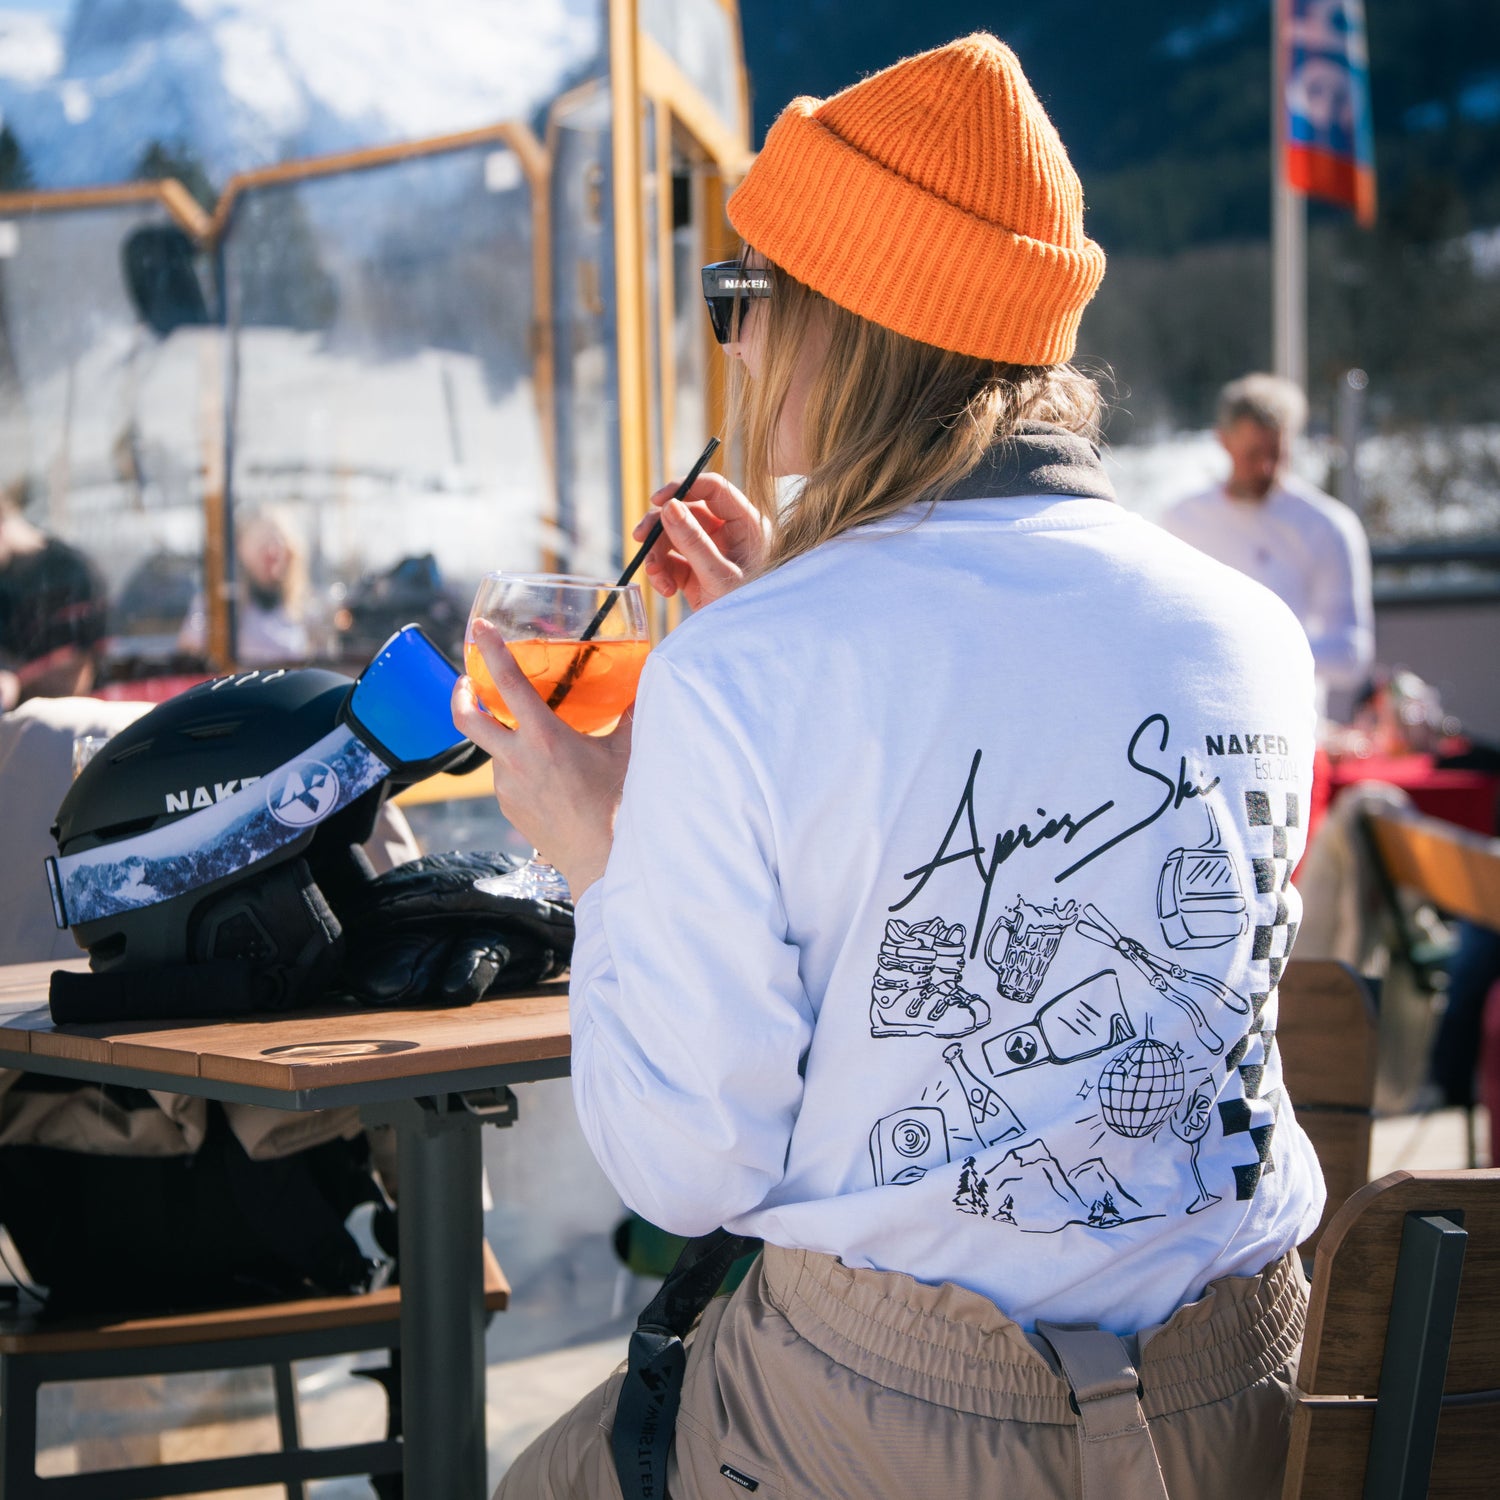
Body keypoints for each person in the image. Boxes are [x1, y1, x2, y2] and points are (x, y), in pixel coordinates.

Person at [456, 35, 1324, 1500]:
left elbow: (690, 1173)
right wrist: (786, 627)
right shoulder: (1252, 632)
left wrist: (601, 849)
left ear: (843, 326)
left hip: (894, 1421)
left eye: (744, 298)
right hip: (1249, 1403)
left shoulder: (751, 670)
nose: (733, 346)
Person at [1158, 372, 1375, 717]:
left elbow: (1351, 654)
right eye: (1253, 453)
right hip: (1199, 718)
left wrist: (1251, 650)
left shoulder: (1328, 525)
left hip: (1291, 723)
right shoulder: (1181, 520)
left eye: (1277, 453)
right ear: (1223, 441)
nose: (1265, 467)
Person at [0, 488, 108, 712]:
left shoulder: (70, 572)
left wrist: (17, 681)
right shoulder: (6, 580)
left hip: (66, 716)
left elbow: (77, 666)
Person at [177, 504, 310, 665]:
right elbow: (190, 656)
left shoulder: (301, 608)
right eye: (262, 542)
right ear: (240, 549)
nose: (272, 551)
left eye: (279, 541)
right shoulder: (216, 606)